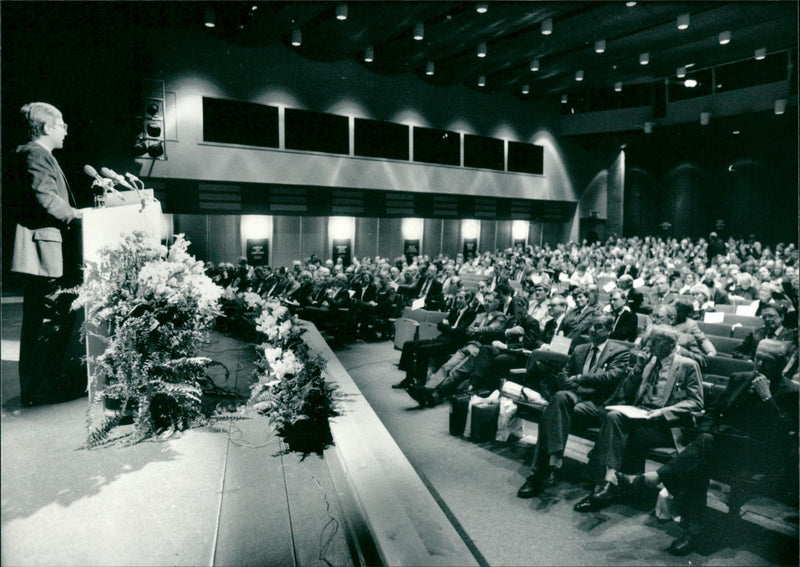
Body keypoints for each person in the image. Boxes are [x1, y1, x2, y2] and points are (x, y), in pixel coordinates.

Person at [616, 340, 798, 556]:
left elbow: (785, 432)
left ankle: (659, 481)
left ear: (783, 363)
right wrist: (706, 431)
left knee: (699, 455)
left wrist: (767, 398)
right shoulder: (739, 379)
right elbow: (713, 411)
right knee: (701, 456)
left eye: (766, 362)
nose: (759, 365)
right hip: (724, 446)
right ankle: (693, 531)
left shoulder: (792, 391)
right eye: (757, 358)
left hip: (756, 455)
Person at [573, 326, 704, 512]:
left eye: (654, 342)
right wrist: (638, 367)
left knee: (626, 435)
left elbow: (696, 402)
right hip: (641, 414)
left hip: (665, 423)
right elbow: (627, 392)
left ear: (669, 344)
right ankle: (610, 481)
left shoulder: (687, 365)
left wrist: (663, 412)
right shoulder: (649, 363)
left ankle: (607, 484)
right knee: (612, 417)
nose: (648, 345)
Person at [10, 102, 85, 406]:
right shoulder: (36, 153)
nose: (66, 129)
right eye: (62, 123)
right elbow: (45, 197)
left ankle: (38, 386)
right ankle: (40, 389)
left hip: (43, 252)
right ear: (47, 126)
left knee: (44, 320)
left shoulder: (32, 153)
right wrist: (78, 215)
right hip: (44, 253)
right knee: (47, 321)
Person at [517, 315, 631, 497]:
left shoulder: (620, 352)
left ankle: (542, 471)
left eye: (599, 327)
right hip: (574, 398)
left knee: (551, 409)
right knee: (560, 397)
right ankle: (553, 463)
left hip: (597, 405)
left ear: (609, 330)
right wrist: (580, 387)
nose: (592, 330)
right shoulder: (580, 349)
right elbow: (563, 376)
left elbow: (609, 378)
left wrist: (579, 380)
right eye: (591, 326)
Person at [405, 291, 508, 407]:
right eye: (485, 301)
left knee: (456, 372)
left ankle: (435, 395)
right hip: (469, 345)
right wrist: (478, 330)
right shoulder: (480, 315)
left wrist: (478, 329)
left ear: (496, 303)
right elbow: (468, 330)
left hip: (480, 350)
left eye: (490, 301)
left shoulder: (500, 317)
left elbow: (492, 330)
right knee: (447, 366)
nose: (486, 304)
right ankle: (426, 389)